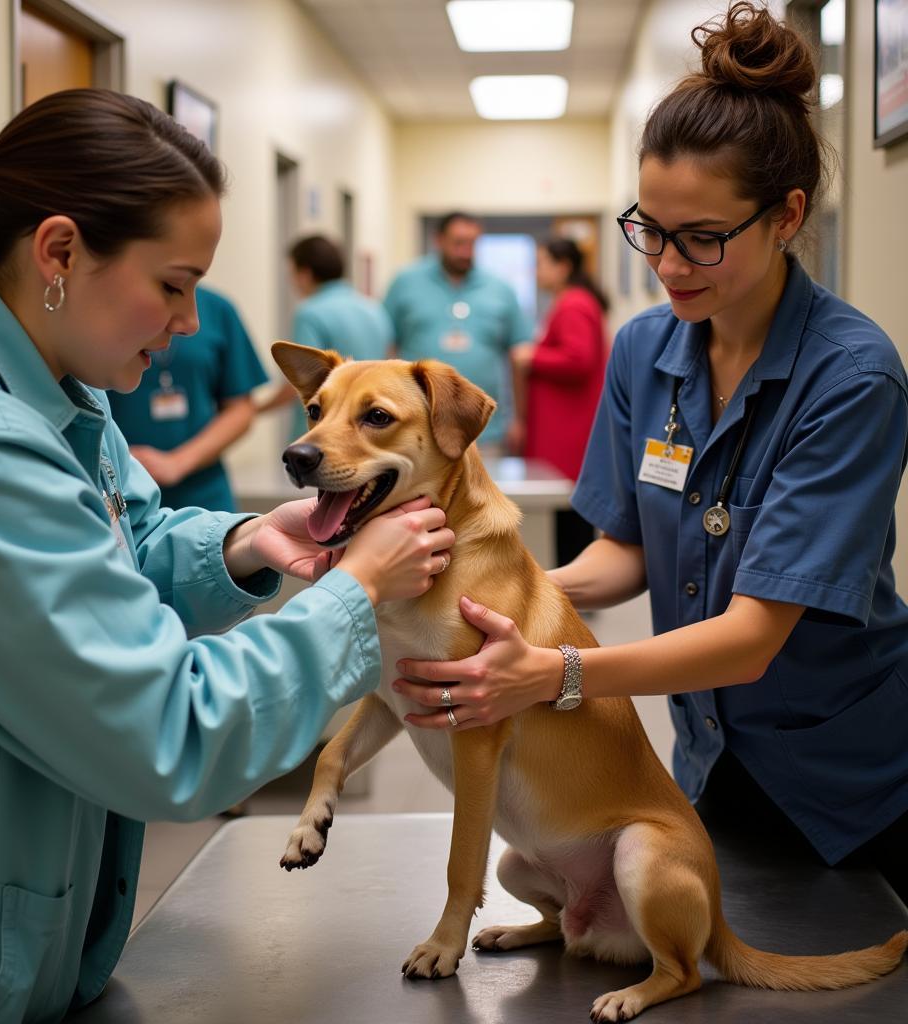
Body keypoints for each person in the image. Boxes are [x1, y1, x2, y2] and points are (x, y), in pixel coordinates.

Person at [0, 88, 455, 1022]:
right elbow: (161, 730)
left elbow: (117, 545)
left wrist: (241, 547)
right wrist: (354, 592)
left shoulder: (49, 379)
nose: (190, 323)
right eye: (174, 285)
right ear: (60, 253)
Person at [388, 2, 908, 906]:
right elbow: (626, 548)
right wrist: (501, 591)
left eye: (703, 237)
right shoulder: (645, 352)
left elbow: (750, 639)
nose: (669, 264)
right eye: (650, 230)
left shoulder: (852, 378)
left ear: (787, 216)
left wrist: (552, 671)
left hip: (855, 780)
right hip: (710, 760)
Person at [107, 284, 266, 512]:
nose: (190, 324)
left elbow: (241, 409)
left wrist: (176, 463)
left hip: (204, 493)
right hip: (121, 491)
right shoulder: (107, 309)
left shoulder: (216, 309)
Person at [383, 212, 532, 449]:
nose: (466, 252)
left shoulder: (500, 289)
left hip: (484, 431)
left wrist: (519, 420)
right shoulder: (405, 283)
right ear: (439, 240)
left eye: (472, 243)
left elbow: (519, 356)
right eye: (458, 243)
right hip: (417, 428)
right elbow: (386, 348)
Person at [507, 236, 609, 565]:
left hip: (567, 426)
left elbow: (579, 359)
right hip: (566, 421)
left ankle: (574, 585)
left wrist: (532, 357)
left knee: (568, 508)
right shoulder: (571, 301)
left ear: (563, 267)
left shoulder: (573, 304)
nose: (536, 271)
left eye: (541, 263)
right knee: (568, 510)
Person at [258, 234, 393, 440]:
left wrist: (256, 409)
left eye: (292, 273)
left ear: (305, 273)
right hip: (371, 430)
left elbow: (299, 381)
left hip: (325, 433)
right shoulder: (373, 308)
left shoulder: (310, 312)